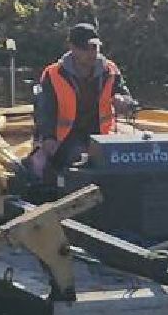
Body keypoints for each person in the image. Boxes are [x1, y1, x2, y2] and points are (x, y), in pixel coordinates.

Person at [26, 23, 137, 191]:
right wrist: (48, 138)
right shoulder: (53, 74)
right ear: (72, 48)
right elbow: (44, 111)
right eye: (86, 48)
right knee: (81, 161)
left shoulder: (111, 70)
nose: (92, 53)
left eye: (95, 47)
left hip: (101, 136)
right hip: (64, 139)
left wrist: (125, 102)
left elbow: (127, 97)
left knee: (121, 160)